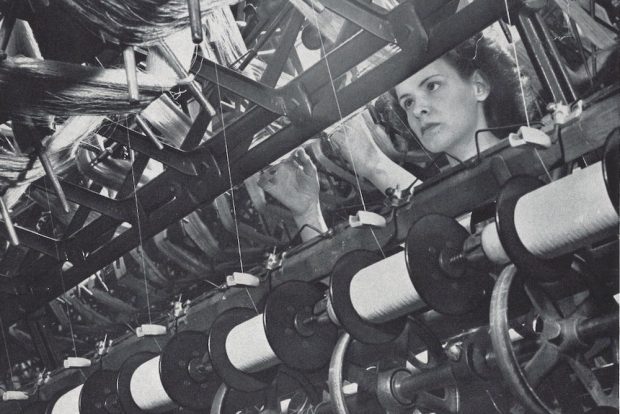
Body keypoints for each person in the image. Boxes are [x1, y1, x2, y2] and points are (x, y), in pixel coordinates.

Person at [259, 34, 527, 239]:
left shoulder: (540, 158)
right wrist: (306, 211)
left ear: (479, 86)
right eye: (408, 102)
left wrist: (376, 165)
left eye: (432, 86)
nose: (419, 109)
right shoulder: (430, 213)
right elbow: (351, 298)